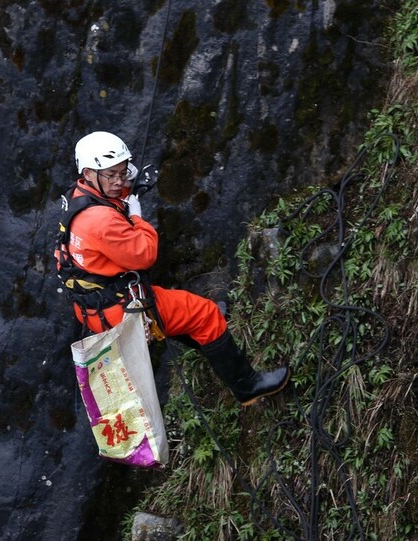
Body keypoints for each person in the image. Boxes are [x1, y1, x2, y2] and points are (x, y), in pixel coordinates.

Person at [55, 131, 289, 406]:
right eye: (111, 175)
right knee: (207, 314)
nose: (119, 181)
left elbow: (109, 206)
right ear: (89, 172)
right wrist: (137, 216)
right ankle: (249, 387)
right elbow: (144, 254)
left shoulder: (79, 196)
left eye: (123, 172)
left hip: (98, 304)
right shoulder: (101, 220)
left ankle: (204, 338)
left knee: (180, 311)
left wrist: (133, 188)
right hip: (122, 309)